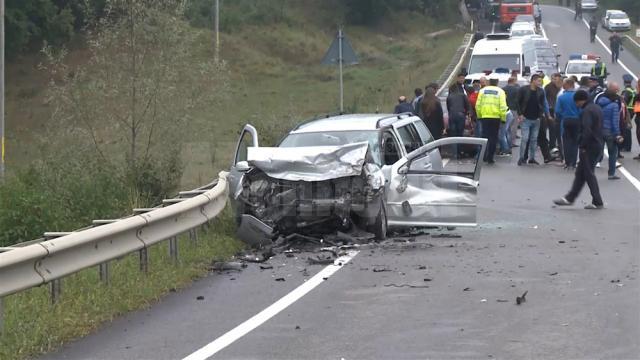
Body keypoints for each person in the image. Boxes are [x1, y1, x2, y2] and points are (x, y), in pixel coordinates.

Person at [553, 90, 604, 210]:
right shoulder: (597, 108)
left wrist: (582, 145)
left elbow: (587, 130)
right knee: (581, 173)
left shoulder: (586, 111)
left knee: (588, 173)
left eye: (577, 102)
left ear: (581, 100)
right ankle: (570, 198)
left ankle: (597, 201)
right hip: (597, 144)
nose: (577, 105)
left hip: (589, 146)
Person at [517, 74, 548, 166]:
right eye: (538, 81)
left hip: (536, 118)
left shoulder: (541, 91)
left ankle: (532, 158)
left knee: (534, 139)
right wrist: (520, 114)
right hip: (526, 118)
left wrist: (540, 114)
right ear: (533, 80)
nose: (540, 83)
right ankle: (522, 158)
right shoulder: (523, 90)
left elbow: (542, 103)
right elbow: (518, 102)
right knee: (525, 138)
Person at [476, 75, 508, 164]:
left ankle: (483, 156)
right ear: (497, 82)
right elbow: (503, 106)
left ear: (489, 82)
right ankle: (490, 157)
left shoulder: (482, 91)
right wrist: (503, 118)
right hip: (496, 118)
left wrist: (479, 116)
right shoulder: (501, 92)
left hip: (485, 117)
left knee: (484, 137)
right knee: (493, 138)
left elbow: (478, 105)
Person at [595, 82, 623, 180]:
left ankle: (587, 172)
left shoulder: (599, 101)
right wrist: (618, 134)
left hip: (599, 130)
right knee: (612, 153)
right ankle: (611, 174)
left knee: (596, 152)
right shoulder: (614, 105)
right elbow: (615, 121)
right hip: (610, 131)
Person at [555, 78, 580, 169]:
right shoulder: (577, 96)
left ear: (568, 85)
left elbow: (557, 111)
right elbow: (581, 109)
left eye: (564, 84)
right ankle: (573, 162)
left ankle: (567, 162)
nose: (563, 86)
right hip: (576, 120)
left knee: (566, 141)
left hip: (565, 120)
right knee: (575, 141)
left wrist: (562, 116)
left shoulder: (561, 97)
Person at [545, 73, 563, 157]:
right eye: (552, 79)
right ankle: (552, 146)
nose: (554, 80)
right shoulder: (548, 87)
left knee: (558, 130)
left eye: (555, 79)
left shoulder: (562, 87)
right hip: (551, 110)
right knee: (552, 129)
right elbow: (544, 98)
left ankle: (559, 146)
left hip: (560, 111)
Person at [503, 76, 520, 148]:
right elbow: (518, 101)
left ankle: (505, 141)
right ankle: (512, 142)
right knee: (513, 127)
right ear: (513, 81)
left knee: (506, 126)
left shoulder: (503, 89)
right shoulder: (516, 90)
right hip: (514, 109)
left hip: (505, 110)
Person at [620, 74, 635, 153]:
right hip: (633, 110)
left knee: (625, 128)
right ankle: (628, 146)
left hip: (627, 110)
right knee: (627, 128)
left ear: (624, 82)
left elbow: (623, 100)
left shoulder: (626, 91)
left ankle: (626, 146)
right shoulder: (633, 90)